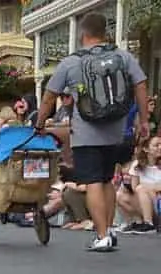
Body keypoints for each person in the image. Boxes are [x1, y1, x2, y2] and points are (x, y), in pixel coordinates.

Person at [35, 12, 149, 252]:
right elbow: (140, 84)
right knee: (108, 180)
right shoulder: (122, 56)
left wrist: (40, 122)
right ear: (105, 33)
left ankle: (101, 235)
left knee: (93, 181)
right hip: (116, 130)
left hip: (86, 133)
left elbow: (49, 96)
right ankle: (107, 231)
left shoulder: (71, 62)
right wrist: (143, 119)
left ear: (83, 34)